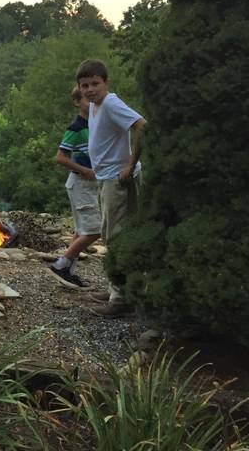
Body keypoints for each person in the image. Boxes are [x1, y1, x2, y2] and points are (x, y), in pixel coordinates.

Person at [74, 59, 146, 317]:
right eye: (85, 85)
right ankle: (116, 287)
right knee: (111, 233)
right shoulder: (95, 106)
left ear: (106, 83)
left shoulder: (112, 103)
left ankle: (121, 299)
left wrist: (131, 164)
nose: (90, 89)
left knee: (116, 235)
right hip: (104, 178)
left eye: (95, 84)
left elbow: (141, 126)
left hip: (118, 180)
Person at [47, 86, 101, 290]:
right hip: (81, 183)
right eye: (87, 100)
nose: (92, 104)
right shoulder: (76, 128)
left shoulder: (94, 125)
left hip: (88, 184)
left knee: (81, 231)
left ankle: (68, 272)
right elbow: (60, 158)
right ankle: (61, 265)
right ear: (77, 102)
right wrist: (85, 171)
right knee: (95, 230)